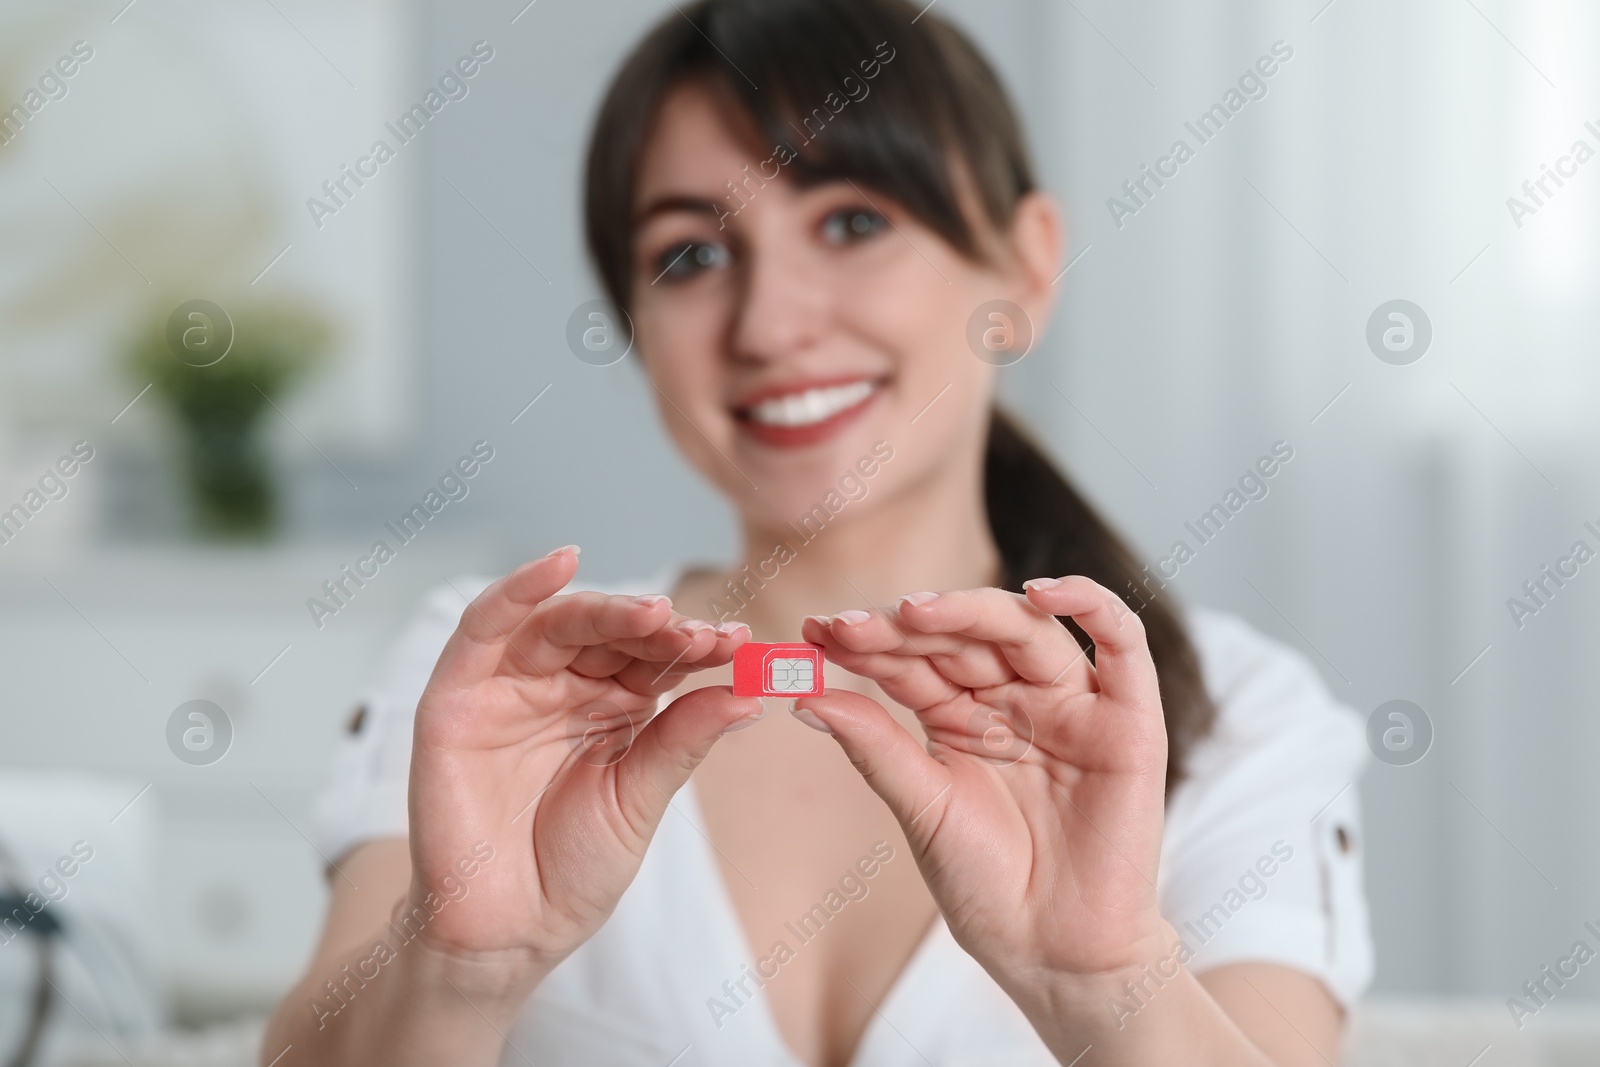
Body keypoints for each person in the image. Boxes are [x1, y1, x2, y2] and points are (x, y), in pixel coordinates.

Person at [263, 1, 1371, 1063]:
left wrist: (1103, 980)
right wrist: (458, 962)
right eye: (690, 256)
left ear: (1024, 266)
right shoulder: (496, 676)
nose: (770, 323)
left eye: (853, 222)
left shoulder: (1234, 714)